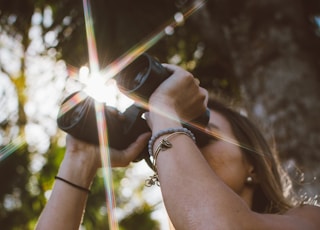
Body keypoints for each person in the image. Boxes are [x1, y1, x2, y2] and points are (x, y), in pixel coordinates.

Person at [36, 64, 320, 229]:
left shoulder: (309, 219)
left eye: (203, 134)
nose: (188, 146)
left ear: (254, 166)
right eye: (175, 135)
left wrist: (164, 111)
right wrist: (79, 160)